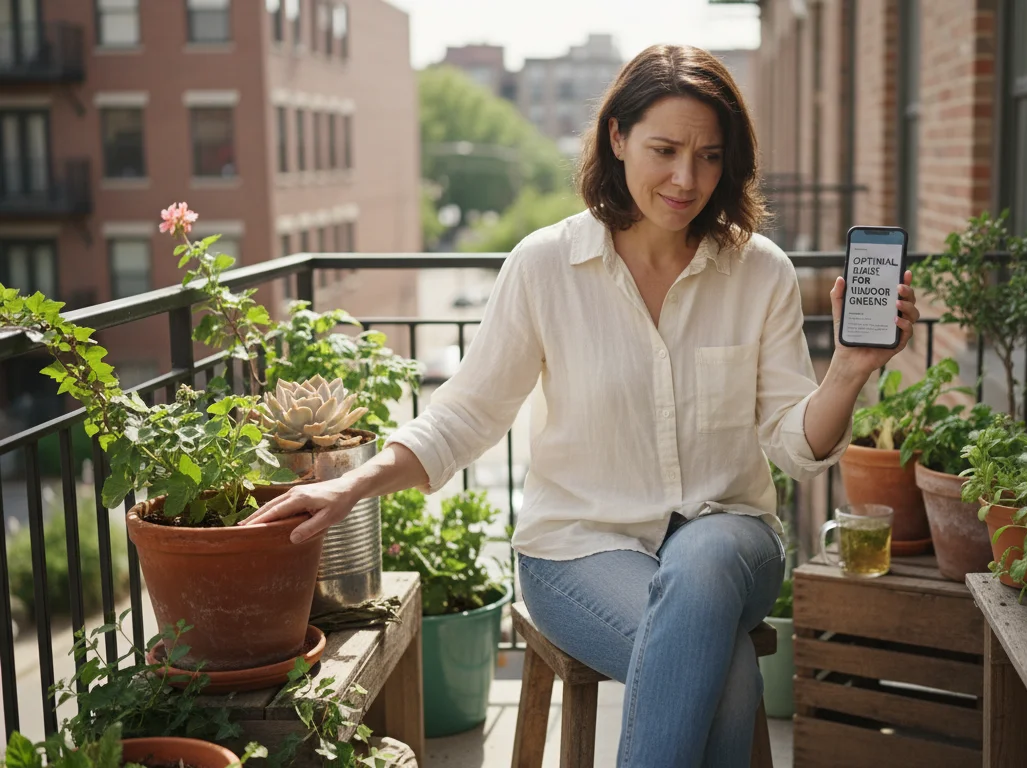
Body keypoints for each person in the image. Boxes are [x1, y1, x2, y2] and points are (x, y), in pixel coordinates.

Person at [243, 43, 920, 767]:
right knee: (721, 671)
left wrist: (848, 371)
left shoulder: (761, 273)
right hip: (577, 549)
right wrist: (350, 482)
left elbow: (794, 445)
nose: (686, 179)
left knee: (707, 556)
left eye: (709, 157)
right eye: (664, 149)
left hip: (733, 541)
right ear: (618, 138)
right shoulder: (543, 265)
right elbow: (467, 413)